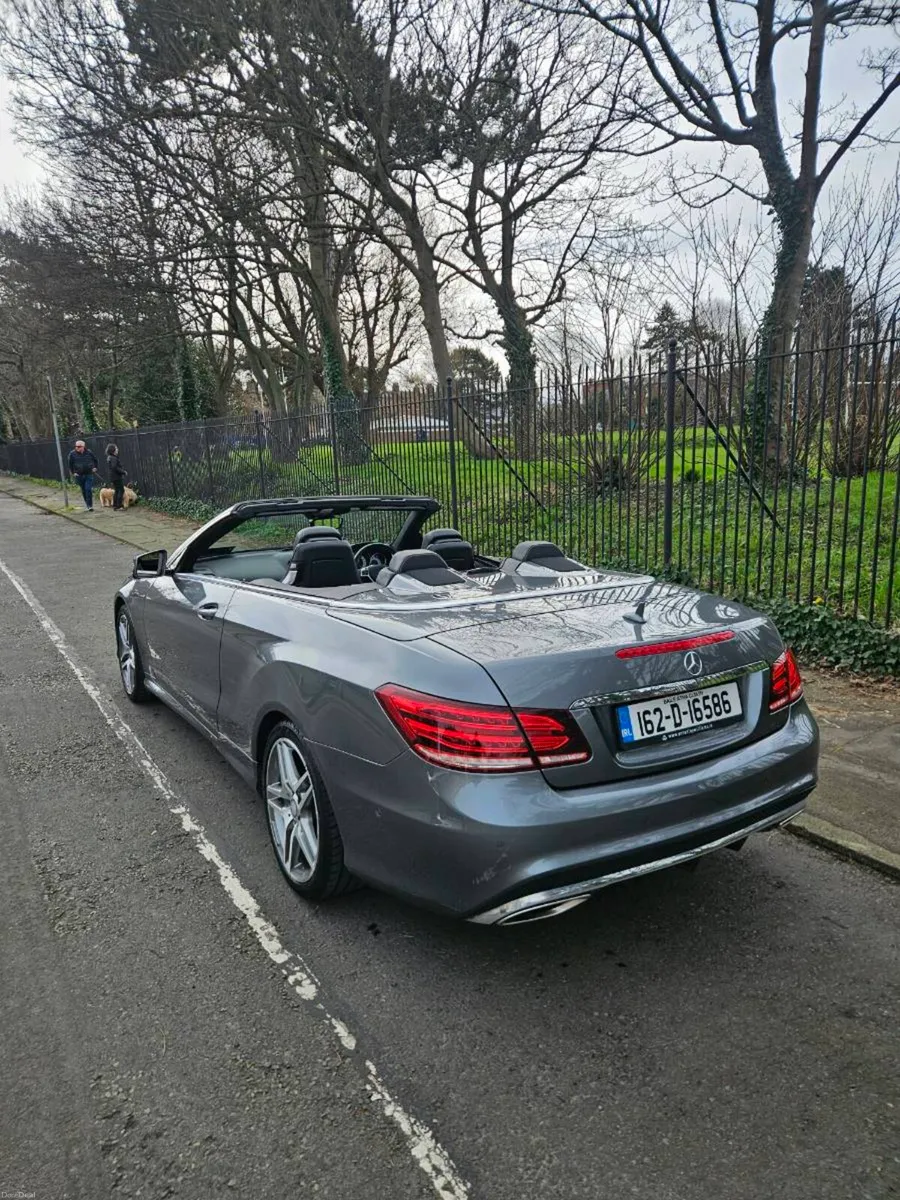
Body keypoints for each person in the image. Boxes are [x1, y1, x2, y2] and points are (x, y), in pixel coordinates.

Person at [67, 439, 99, 511]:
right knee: (84, 490)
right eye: (76, 446)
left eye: (79, 446)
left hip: (89, 474)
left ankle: (90, 505)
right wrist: (73, 473)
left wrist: (95, 467)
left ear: (83, 447)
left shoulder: (89, 452)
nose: (77, 448)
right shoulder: (72, 454)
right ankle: (87, 504)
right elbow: (70, 464)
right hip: (79, 475)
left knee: (88, 489)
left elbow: (95, 460)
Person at [106, 443, 128, 510]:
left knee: (117, 490)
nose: (117, 449)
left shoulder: (110, 457)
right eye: (116, 448)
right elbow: (115, 467)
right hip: (117, 476)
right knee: (121, 490)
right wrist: (123, 472)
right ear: (113, 450)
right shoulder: (113, 458)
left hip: (113, 477)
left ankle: (115, 505)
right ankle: (119, 506)